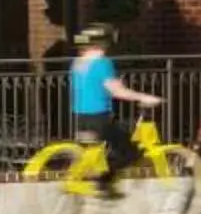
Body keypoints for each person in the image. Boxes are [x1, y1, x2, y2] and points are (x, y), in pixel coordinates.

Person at [64, 26, 161, 198]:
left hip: (80, 117)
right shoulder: (103, 63)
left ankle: (98, 181)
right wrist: (144, 97)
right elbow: (118, 91)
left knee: (101, 150)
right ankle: (105, 183)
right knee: (132, 152)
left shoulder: (77, 64)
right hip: (99, 118)